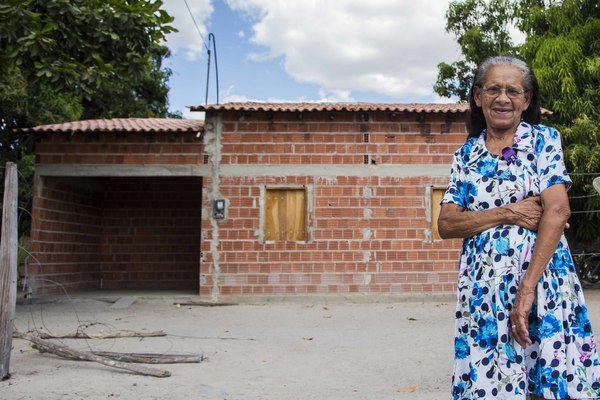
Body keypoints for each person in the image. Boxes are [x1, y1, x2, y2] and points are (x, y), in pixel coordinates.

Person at [438, 55, 600, 400]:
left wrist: (527, 291)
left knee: (546, 381)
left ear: (526, 100)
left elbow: (557, 210)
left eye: (514, 91)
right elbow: (447, 223)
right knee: (493, 384)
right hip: (484, 292)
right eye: (493, 89)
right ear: (478, 96)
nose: (503, 98)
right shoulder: (465, 156)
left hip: (543, 282)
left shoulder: (543, 140)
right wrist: (509, 212)